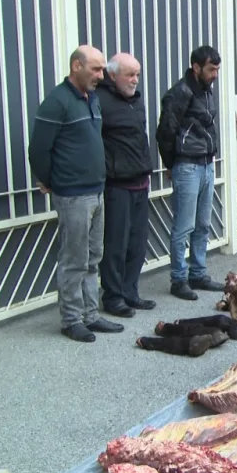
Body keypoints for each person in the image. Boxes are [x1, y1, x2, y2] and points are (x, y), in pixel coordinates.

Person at [28, 45, 125, 342]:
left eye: (102, 69)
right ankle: (72, 320)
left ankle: (90, 314)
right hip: (73, 195)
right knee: (74, 258)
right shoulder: (57, 102)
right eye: (95, 69)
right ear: (76, 66)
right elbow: (38, 149)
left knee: (93, 255)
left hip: (96, 190)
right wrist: (49, 180)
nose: (101, 75)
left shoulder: (91, 99)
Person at [156, 45, 226, 300]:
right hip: (186, 165)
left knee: (203, 224)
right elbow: (165, 131)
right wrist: (171, 164)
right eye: (211, 69)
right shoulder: (180, 93)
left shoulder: (207, 91)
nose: (215, 74)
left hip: (207, 163)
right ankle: (179, 279)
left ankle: (198, 274)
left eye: (217, 69)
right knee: (183, 226)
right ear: (196, 67)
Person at [97, 53, 156, 318]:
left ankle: (131, 292)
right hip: (116, 185)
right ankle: (113, 297)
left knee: (137, 243)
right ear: (112, 75)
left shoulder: (137, 101)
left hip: (140, 182)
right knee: (116, 245)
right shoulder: (100, 100)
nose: (135, 80)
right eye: (130, 74)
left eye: (137, 74)